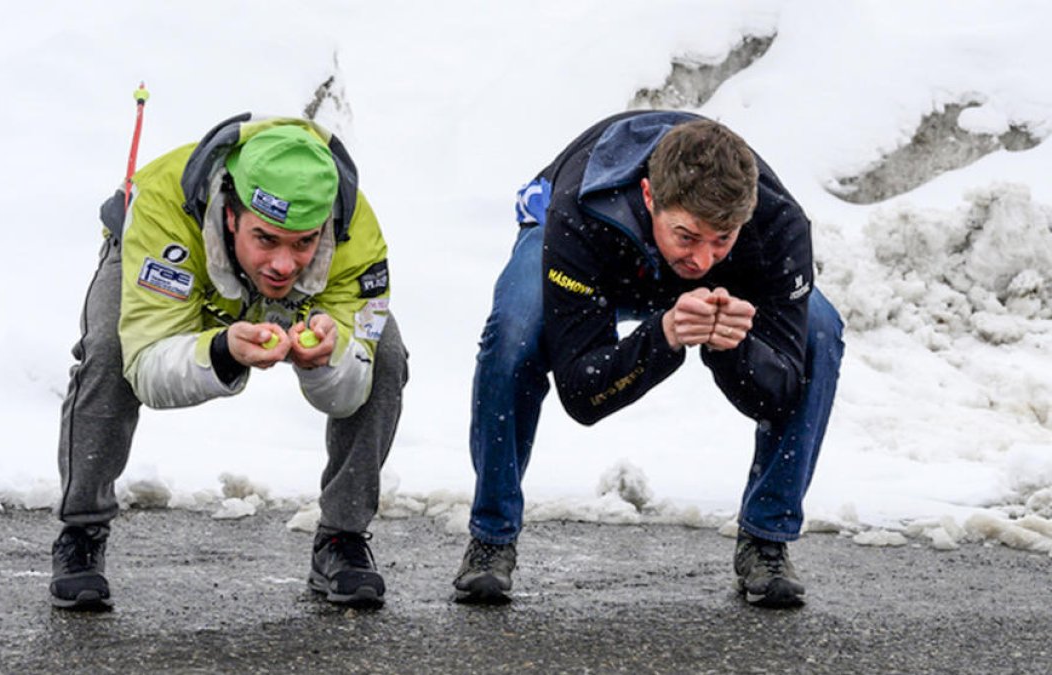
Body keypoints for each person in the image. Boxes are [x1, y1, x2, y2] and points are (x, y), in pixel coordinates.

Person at [453, 111, 844, 608]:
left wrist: (733, 346)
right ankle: (491, 536)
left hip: (696, 262)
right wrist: (663, 337)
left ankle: (766, 539)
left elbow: (781, 393)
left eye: (722, 239)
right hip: (603, 250)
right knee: (514, 333)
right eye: (687, 236)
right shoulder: (580, 211)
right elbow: (582, 395)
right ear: (649, 196)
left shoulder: (779, 223)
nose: (702, 260)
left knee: (822, 330)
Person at [51, 115, 407, 611]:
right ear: (232, 215)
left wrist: (327, 360)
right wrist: (221, 351)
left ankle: (341, 539)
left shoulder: (355, 235)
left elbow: (355, 382)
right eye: (267, 239)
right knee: (110, 351)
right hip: (178, 261)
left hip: (306, 299)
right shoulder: (162, 207)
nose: (283, 264)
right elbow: (147, 367)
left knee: (384, 354)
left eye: (304, 242)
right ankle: (81, 532)